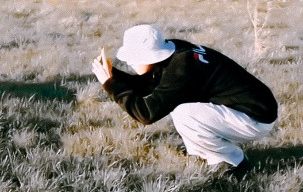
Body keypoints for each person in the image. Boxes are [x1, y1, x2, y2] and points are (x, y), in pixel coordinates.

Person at [91, 24, 278, 177]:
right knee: (181, 107)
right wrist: (113, 77)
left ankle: (232, 161)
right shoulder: (177, 51)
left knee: (183, 113)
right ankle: (204, 154)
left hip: (255, 119)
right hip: (250, 108)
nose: (129, 63)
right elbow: (154, 86)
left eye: (133, 58)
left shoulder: (181, 68)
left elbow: (146, 113)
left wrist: (111, 85)